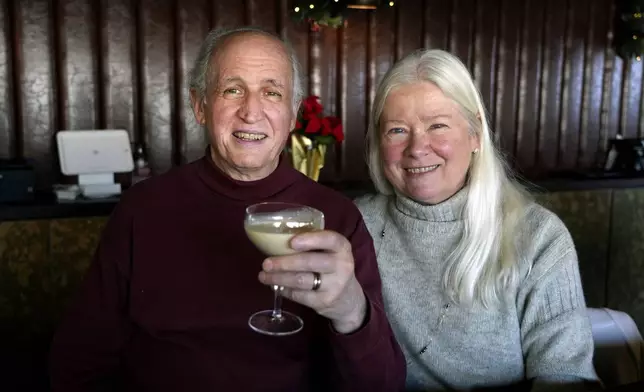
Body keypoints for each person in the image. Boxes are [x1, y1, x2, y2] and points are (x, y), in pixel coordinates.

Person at [49, 27, 406, 392]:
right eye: (232, 89)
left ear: (292, 114)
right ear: (200, 106)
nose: (251, 112)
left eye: (272, 93)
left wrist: (351, 312)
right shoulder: (142, 209)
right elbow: (79, 358)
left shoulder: (336, 219)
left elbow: (382, 383)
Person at [355, 49, 599, 391]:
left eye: (437, 125)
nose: (417, 148)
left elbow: (564, 376)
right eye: (397, 130)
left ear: (474, 134)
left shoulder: (537, 236)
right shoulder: (356, 225)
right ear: (379, 144)